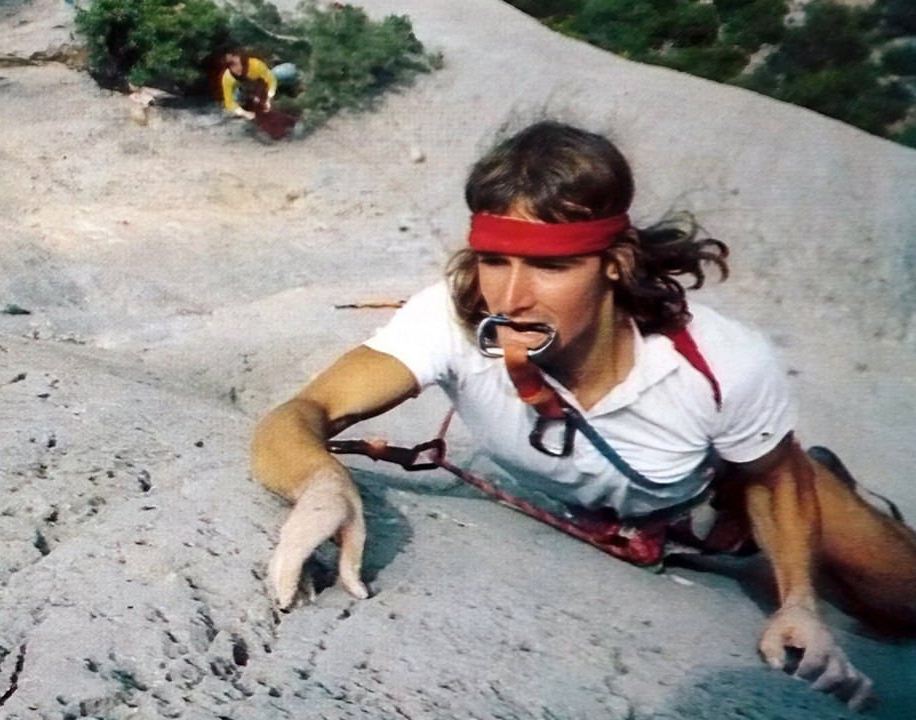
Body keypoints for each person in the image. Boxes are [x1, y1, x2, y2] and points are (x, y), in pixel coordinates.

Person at [250, 121, 916, 710]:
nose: (511, 296)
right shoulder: (447, 321)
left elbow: (775, 478)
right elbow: (304, 412)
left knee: (900, 600)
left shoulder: (722, 363)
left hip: (723, 489)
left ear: (615, 264)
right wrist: (321, 484)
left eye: (550, 266)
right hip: (625, 509)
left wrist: (797, 603)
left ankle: (840, 486)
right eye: (494, 261)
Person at [219, 51, 296, 121]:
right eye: (232, 65)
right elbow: (229, 103)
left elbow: (271, 80)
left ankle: (279, 63)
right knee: (228, 109)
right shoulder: (228, 77)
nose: (237, 68)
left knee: (286, 72)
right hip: (245, 88)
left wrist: (270, 97)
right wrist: (246, 114)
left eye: (239, 63)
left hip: (266, 77)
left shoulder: (255, 65)